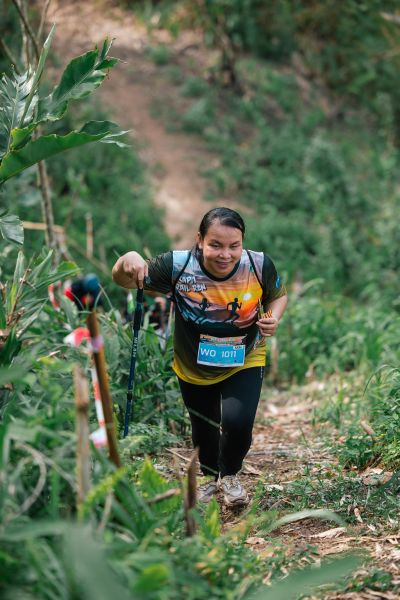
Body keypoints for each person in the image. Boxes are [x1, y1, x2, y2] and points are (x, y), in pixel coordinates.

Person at [112, 207, 288, 506]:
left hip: (244, 357)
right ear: (200, 240)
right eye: (215, 245)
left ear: (243, 243)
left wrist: (273, 318)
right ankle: (209, 477)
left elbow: (277, 295)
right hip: (193, 362)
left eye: (234, 246)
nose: (225, 255)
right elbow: (126, 280)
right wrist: (127, 259)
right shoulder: (178, 266)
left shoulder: (258, 265)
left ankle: (229, 475)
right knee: (203, 425)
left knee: (238, 422)